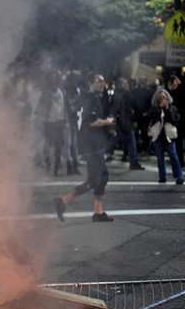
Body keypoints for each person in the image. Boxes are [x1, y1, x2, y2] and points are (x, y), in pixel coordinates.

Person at [54, 74, 115, 223]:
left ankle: (97, 212)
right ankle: (62, 201)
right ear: (90, 83)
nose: (102, 84)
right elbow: (93, 121)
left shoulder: (88, 98)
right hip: (91, 145)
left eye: (103, 81)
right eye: (98, 81)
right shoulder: (91, 99)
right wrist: (108, 121)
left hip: (92, 144)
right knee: (95, 180)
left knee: (103, 177)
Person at [106, 78, 144, 170]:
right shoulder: (118, 96)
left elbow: (129, 110)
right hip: (121, 125)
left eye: (126, 83)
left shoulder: (126, 95)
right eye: (124, 83)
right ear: (119, 85)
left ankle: (134, 162)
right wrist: (112, 125)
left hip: (126, 124)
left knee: (130, 143)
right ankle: (95, 155)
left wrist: (133, 120)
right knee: (111, 143)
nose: (126, 85)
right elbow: (113, 111)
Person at [148, 88, 184, 184]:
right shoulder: (154, 109)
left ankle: (179, 175)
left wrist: (167, 109)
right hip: (158, 135)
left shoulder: (172, 108)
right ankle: (162, 175)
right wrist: (159, 109)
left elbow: (174, 120)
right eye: (160, 98)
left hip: (169, 135)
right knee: (160, 157)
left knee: (173, 155)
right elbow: (151, 117)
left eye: (164, 97)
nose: (162, 100)